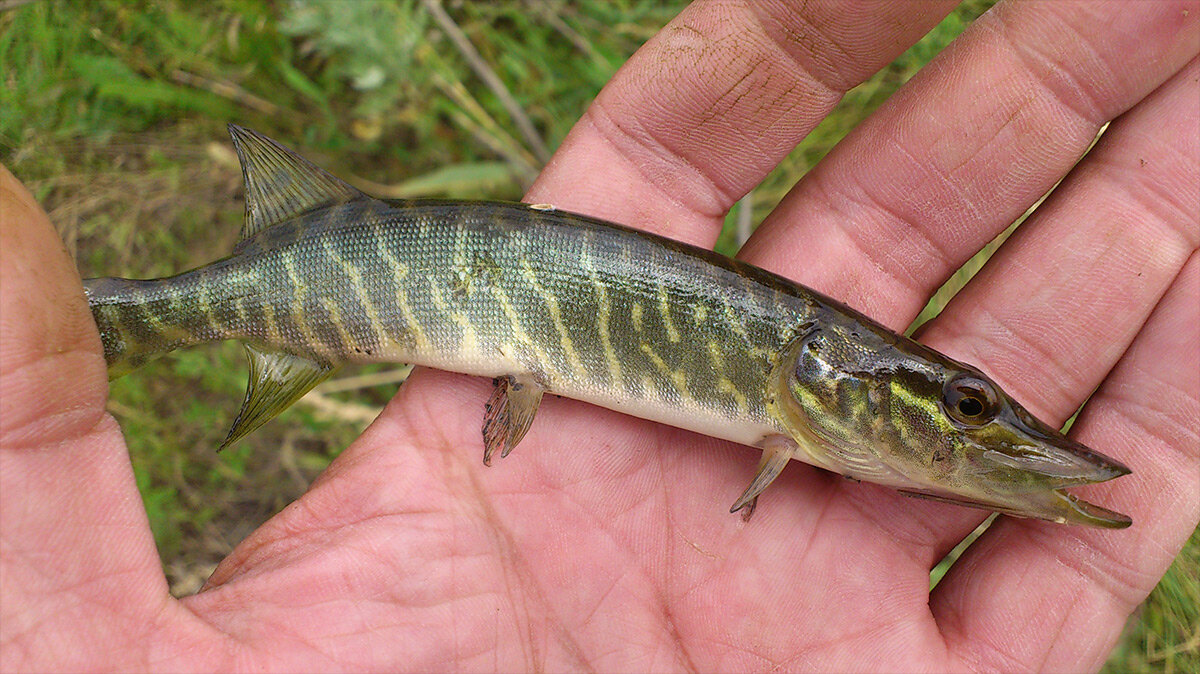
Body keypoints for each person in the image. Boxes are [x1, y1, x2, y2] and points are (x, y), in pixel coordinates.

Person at [1, 1, 1196, 670]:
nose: (982, 423)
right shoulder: (802, 387)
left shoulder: (804, 397)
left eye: (970, 408)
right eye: (966, 408)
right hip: (433, 294)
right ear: (831, 388)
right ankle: (132, 324)